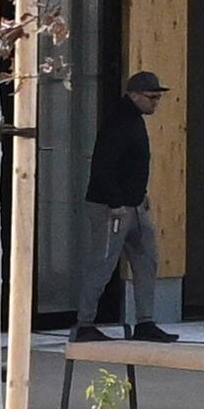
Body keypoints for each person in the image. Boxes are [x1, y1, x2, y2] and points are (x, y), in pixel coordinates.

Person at [63, 65, 174, 342]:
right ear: (135, 95)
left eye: (158, 97)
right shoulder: (119, 121)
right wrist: (115, 202)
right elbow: (102, 166)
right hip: (112, 208)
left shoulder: (134, 119)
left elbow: (131, 165)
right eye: (152, 97)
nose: (156, 102)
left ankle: (145, 322)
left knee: (147, 260)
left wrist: (140, 193)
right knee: (102, 263)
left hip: (134, 205)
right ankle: (84, 323)